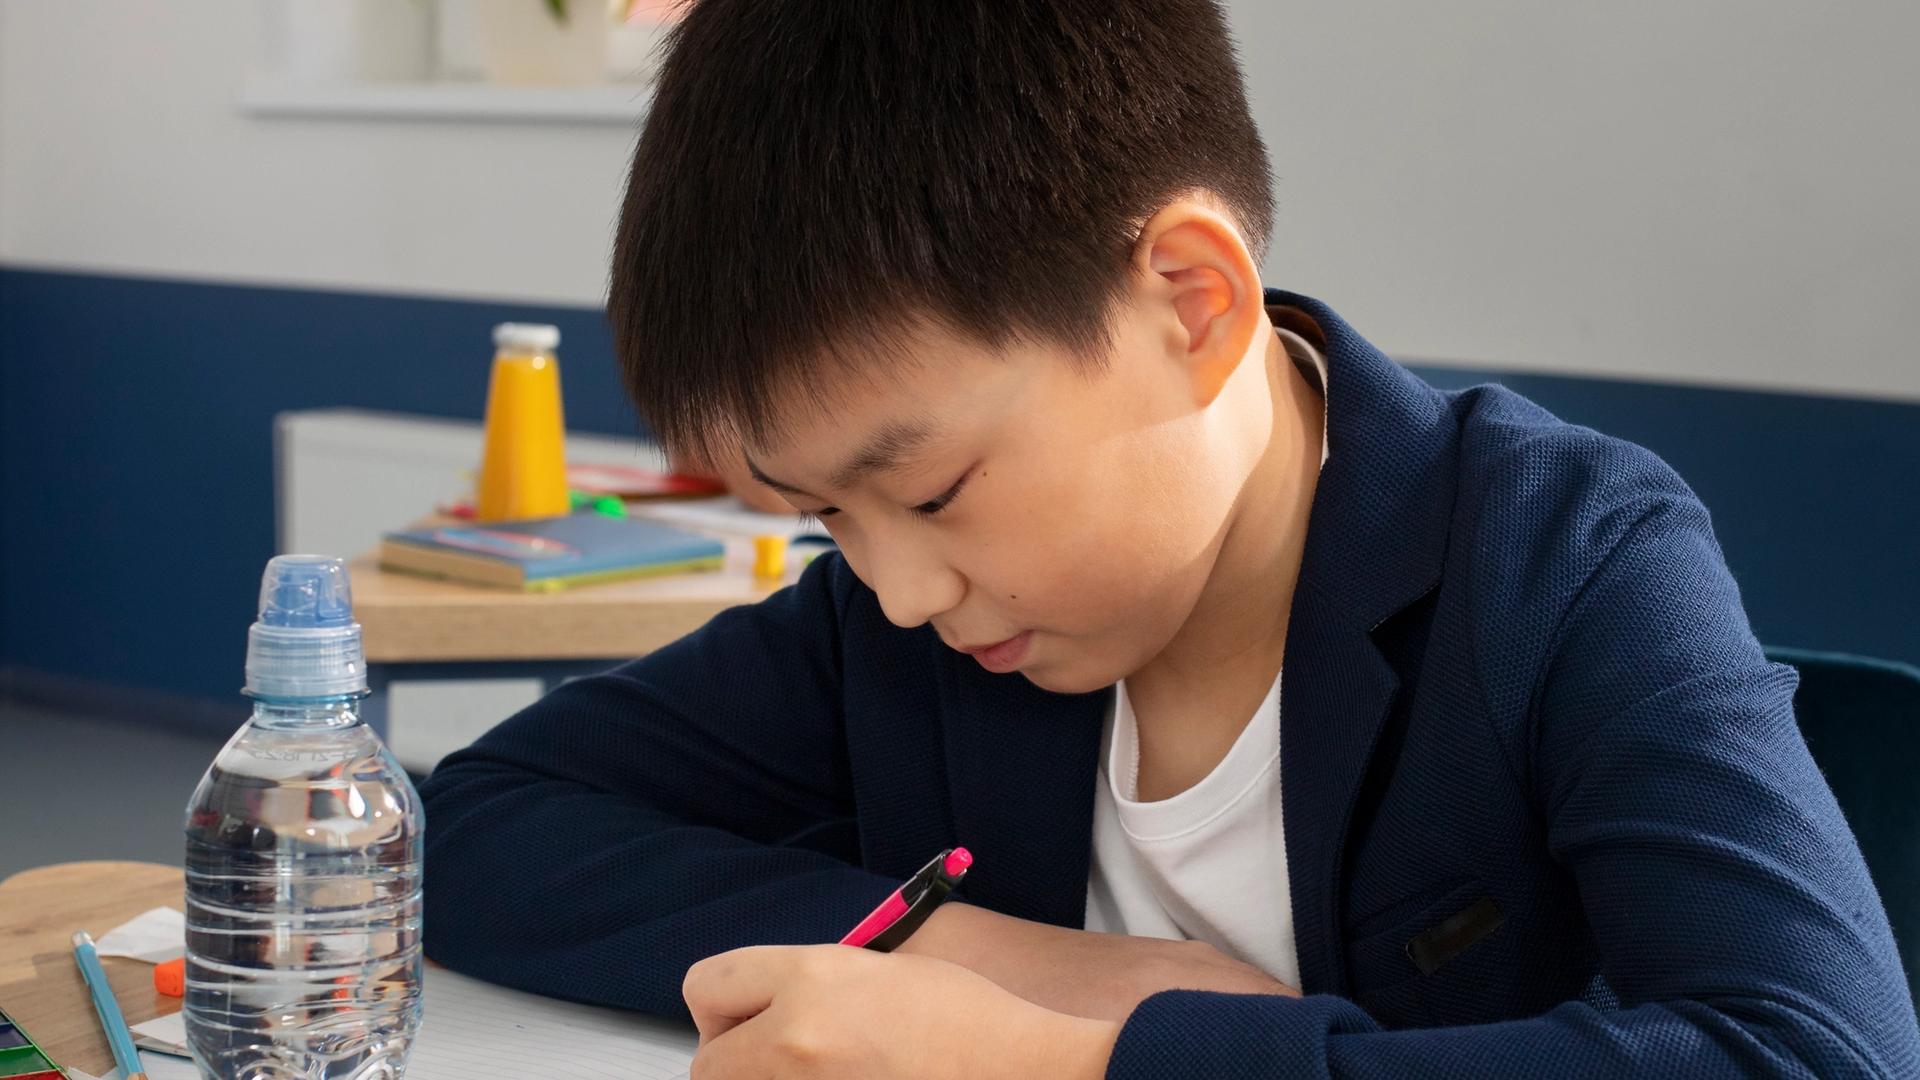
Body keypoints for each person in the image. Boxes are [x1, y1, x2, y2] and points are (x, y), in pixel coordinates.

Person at [418, 1, 1920, 1076]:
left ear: (1191, 304)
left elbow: (1808, 1045)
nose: (896, 583)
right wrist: (996, 961)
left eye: (932, 492)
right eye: (825, 520)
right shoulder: (906, 617)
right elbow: (476, 822)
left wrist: (1091, 1057)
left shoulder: (1563, 556)